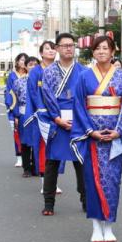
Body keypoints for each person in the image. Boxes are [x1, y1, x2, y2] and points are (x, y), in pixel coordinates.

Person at [71, 36, 122, 242]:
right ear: (93, 52)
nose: (101, 52)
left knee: (113, 181)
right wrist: (90, 131)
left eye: (105, 48)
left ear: (113, 51)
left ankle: (109, 225)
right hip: (93, 138)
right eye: (97, 48)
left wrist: (119, 131)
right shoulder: (84, 76)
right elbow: (79, 105)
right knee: (91, 180)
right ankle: (96, 226)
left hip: (114, 137)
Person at [38, 33, 86, 216]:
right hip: (57, 122)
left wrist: (80, 120)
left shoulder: (83, 71)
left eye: (71, 45)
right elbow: (47, 97)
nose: (68, 48)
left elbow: (87, 98)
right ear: (57, 48)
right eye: (64, 45)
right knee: (52, 162)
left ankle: (86, 199)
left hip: (78, 122)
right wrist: (57, 118)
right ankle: (48, 203)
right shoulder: (49, 72)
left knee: (81, 163)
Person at [25, 42, 56, 181]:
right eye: (47, 49)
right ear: (41, 53)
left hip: (58, 115)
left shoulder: (59, 69)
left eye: (53, 48)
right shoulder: (35, 72)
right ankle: (45, 181)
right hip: (42, 114)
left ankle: (53, 181)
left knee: (57, 148)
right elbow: (32, 93)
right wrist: (41, 109)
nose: (51, 51)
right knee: (43, 146)